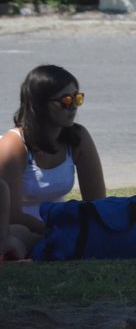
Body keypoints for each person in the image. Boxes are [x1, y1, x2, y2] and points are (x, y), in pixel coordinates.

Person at [0, 65, 106, 240]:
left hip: (56, 229)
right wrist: (59, 232)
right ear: (40, 104)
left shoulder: (78, 138)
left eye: (77, 98)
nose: (73, 106)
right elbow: (11, 216)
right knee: (19, 235)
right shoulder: (13, 145)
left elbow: (96, 203)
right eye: (66, 100)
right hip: (16, 232)